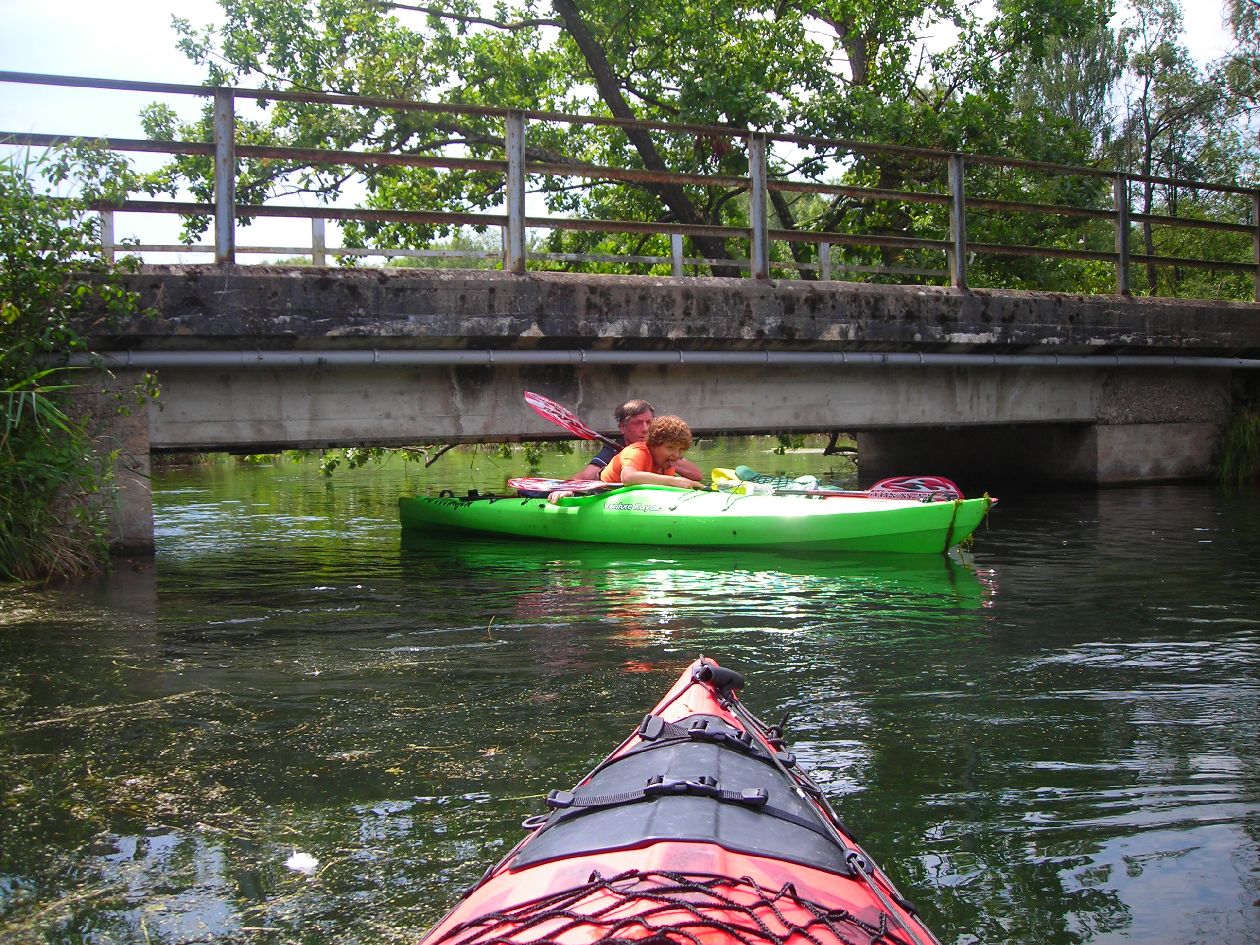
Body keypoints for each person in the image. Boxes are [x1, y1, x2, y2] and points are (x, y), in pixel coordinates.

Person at [573, 399, 703, 481]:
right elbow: (584, 476)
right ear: (622, 427)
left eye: (649, 422)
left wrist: (666, 458)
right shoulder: (614, 450)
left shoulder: (663, 449)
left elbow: (696, 475)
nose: (645, 429)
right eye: (638, 423)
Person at [599, 415, 706, 489]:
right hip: (604, 493)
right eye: (670, 448)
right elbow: (628, 477)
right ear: (653, 444)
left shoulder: (667, 463)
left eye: (681, 449)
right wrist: (673, 481)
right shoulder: (638, 451)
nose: (676, 455)